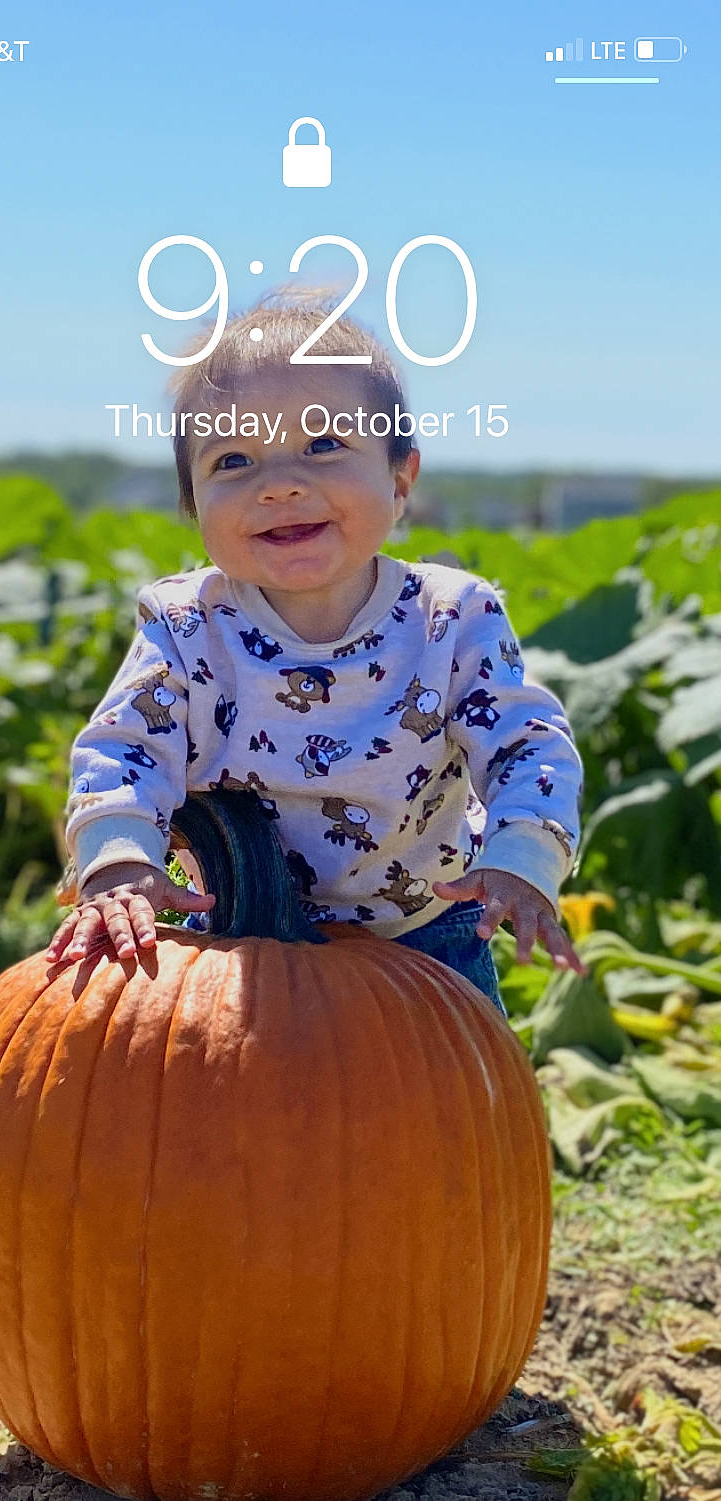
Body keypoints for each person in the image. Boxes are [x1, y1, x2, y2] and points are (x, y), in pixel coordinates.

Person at [46, 293, 588, 1015]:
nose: (280, 483)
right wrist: (118, 861)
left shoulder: (452, 620)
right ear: (193, 504)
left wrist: (522, 862)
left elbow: (530, 750)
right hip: (232, 940)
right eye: (233, 460)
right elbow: (122, 752)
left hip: (425, 934)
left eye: (324, 445)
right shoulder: (185, 627)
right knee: (231, 1109)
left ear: (400, 481)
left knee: (445, 1116)